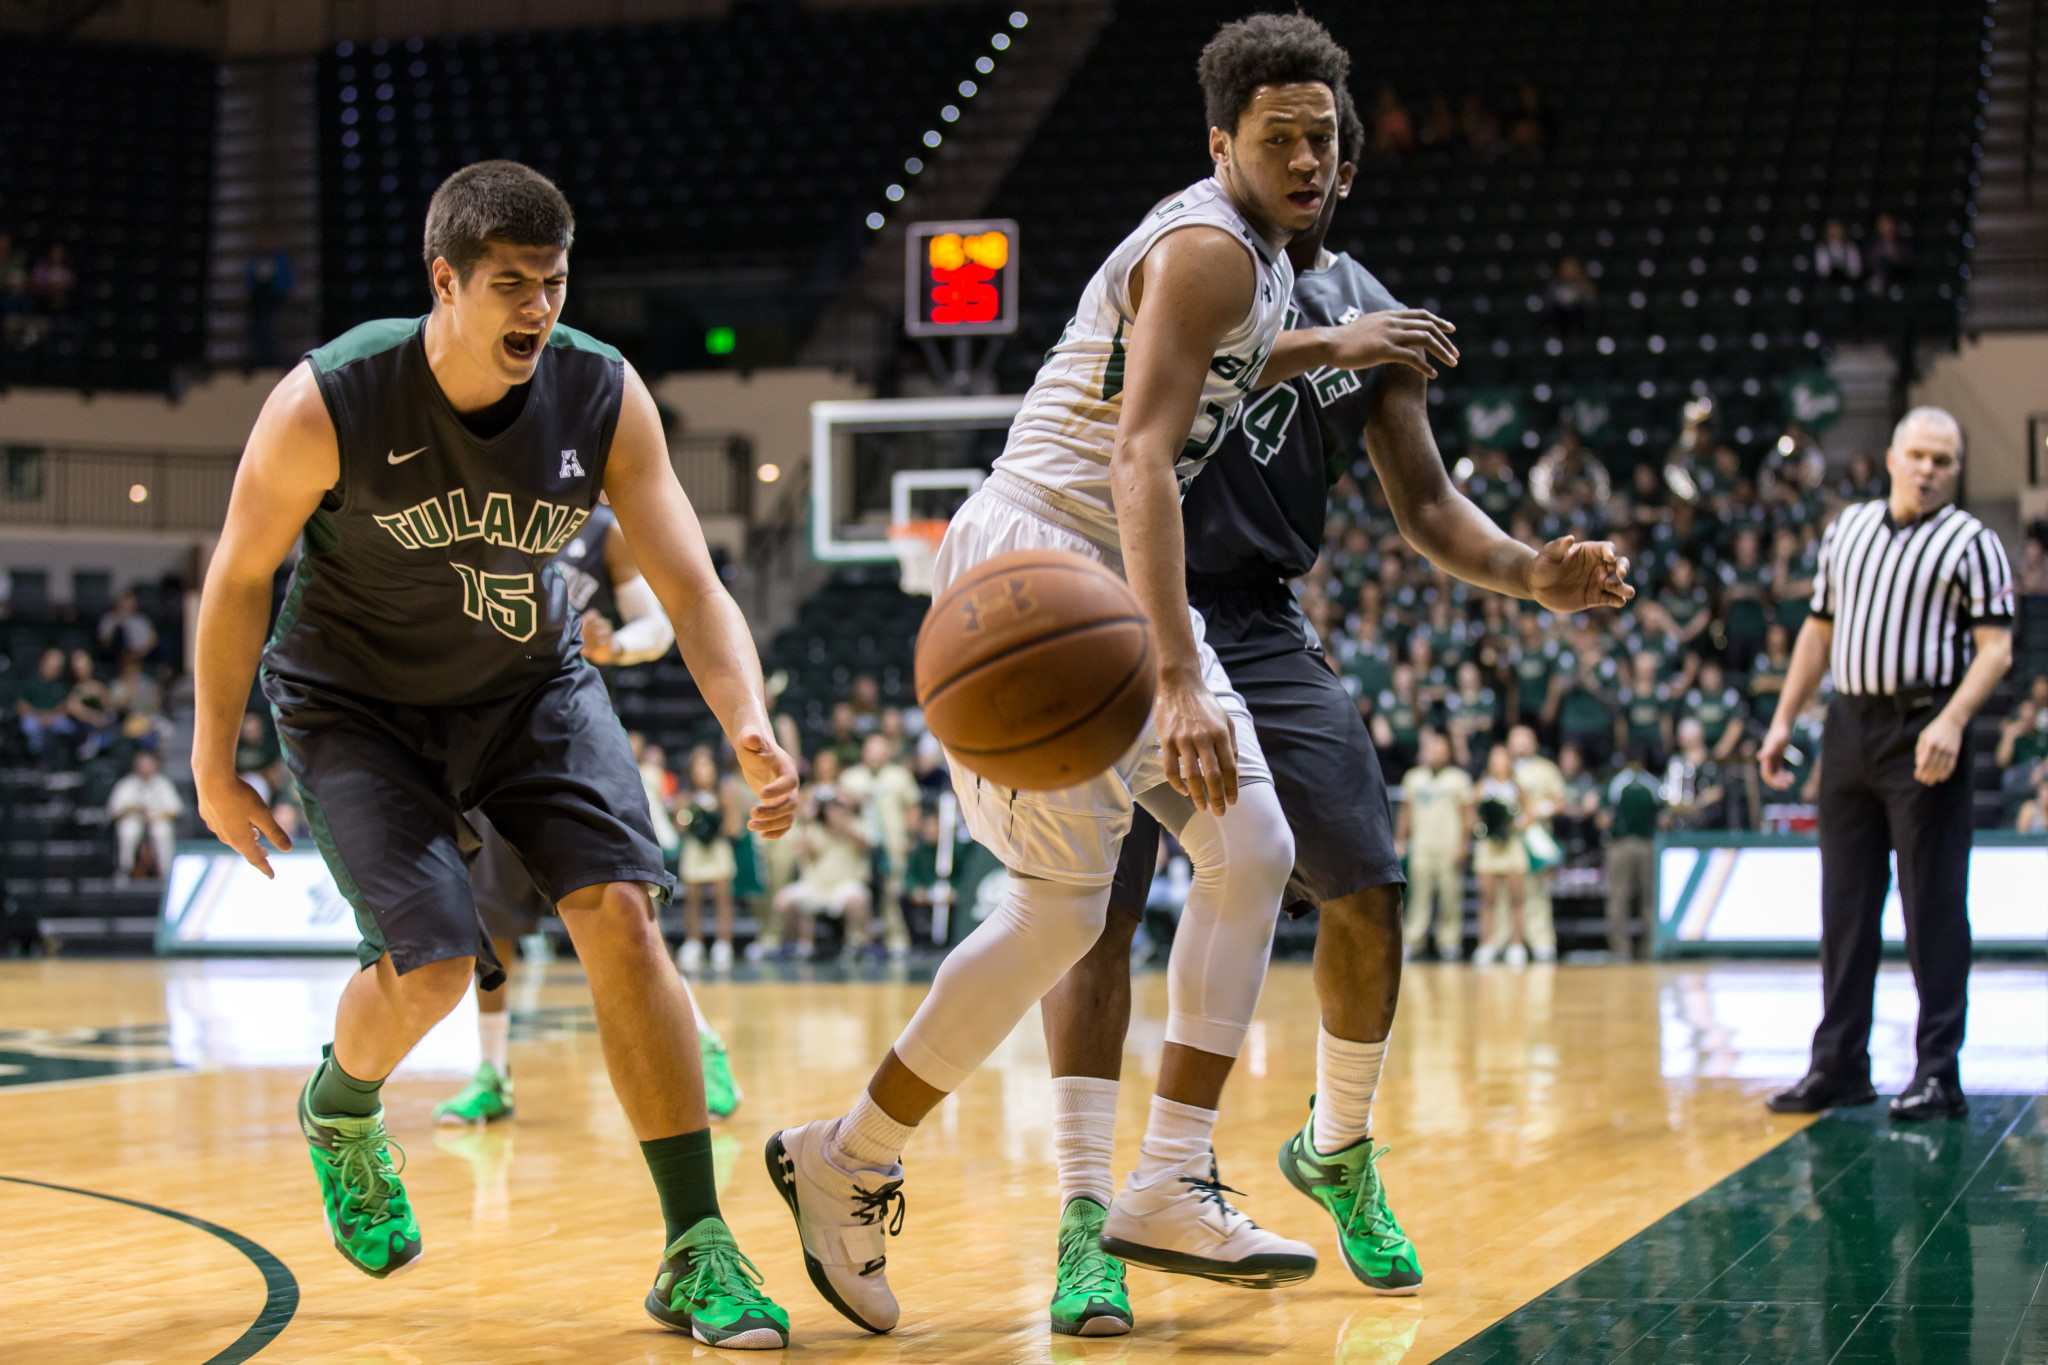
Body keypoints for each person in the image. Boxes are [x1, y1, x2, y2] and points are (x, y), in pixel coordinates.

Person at [766, 17, 1470, 1332]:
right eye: (1282, 139)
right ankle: (847, 1155)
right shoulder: (1206, 245)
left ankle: (1161, 1178)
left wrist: (1342, 345)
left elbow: (1220, 361)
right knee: (1060, 912)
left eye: (1324, 136)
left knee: (1250, 847)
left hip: (1099, 572)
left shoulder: (1250, 259)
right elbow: (1144, 457)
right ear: (1223, 145)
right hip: (1042, 565)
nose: (1311, 157)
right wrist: (1180, 677)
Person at [192, 162, 799, 1346]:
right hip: (356, 704)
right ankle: (342, 1109)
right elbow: (236, 579)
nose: (536, 309)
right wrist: (214, 764)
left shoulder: (603, 395)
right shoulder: (329, 400)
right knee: (431, 967)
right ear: (446, 283)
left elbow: (692, 584)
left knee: (621, 914)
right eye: (510, 284)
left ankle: (695, 1244)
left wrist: (749, 723)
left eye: (554, 284)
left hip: (528, 691)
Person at [436, 507, 745, 1126]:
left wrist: (615, 645)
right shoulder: (470, 514)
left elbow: (655, 627)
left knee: (622, 915)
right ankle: (491, 1073)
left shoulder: (604, 530)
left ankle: (703, 1045)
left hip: (571, 741)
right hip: (484, 740)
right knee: (491, 927)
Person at [1761, 407, 2013, 1123]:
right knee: (1844, 906)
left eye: (1943, 459)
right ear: (1892, 457)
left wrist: (1952, 721)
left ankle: (1939, 1071)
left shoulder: (1974, 543)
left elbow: (1995, 647)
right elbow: (1818, 630)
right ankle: (1839, 1064)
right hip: (1849, 725)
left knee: (1932, 906)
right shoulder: (1849, 529)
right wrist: (1784, 719)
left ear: (1956, 470)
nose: (1929, 469)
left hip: (1925, 727)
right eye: (1918, 455)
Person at [840, 732, 921, 959]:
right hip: (858, 844)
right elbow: (839, 811)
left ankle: (895, 938)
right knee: (856, 890)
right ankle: (856, 940)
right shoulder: (851, 778)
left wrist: (910, 836)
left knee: (893, 892)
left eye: (879, 751)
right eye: (870, 750)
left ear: (888, 752)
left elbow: (912, 807)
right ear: (864, 752)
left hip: (892, 843)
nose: (874, 756)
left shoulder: (900, 776)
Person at [1398, 728, 1475, 962]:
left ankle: (1449, 942)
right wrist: (1400, 840)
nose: (1436, 752)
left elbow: (1469, 816)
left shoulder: (1459, 779)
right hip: (1421, 848)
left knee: (1450, 899)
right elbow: (1406, 812)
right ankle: (1413, 940)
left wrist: (1464, 844)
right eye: (1432, 748)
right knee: (1418, 898)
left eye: (1441, 748)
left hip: (1449, 848)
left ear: (1449, 752)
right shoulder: (1413, 778)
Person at [771, 791, 874, 960]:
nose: (835, 812)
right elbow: (804, 854)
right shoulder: (813, 828)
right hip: (816, 887)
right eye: (831, 808)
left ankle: (856, 945)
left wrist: (843, 826)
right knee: (783, 901)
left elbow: (864, 846)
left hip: (844, 885)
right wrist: (807, 822)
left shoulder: (857, 825)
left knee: (858, 899)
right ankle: (797, 945)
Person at [675, 746, 741, 974]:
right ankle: (694, 941)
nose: (703, 772)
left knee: (722, 896)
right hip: (695, 849)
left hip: (717, 848)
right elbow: (679, 825)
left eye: (707, 766)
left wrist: (715, 823)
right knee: (692, 897)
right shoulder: (685, 797)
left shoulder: (724, 793)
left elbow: (734, 826)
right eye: (698, 767)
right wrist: (691, 818)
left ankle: (724, 942)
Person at [1506, 724, 1564, 962]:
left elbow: (1560, 800)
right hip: (1508, 841)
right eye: (1516, 739)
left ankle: (1541, 941)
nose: (1520, 744)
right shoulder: (1501, 767)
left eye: (1525, 739)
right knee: (1508, 893)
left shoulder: (1546, 769)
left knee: (1538, 892)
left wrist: (1542, 809)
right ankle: (1510, 942)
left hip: (1536, 839)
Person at [1470, 743, 1529, 965]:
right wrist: (1482, 828)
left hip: (1511, 846)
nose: (1499, 763)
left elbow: (1528, 813)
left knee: (1516, 898)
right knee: (1487, 899)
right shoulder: (1483, 787)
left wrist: (1513, 826)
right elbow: (1472, 814)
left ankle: (1517, 945)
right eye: (1494, 759)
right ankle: (1487, 943)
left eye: (1503, 758)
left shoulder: (1517, 788)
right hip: (1489, 848)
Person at [1601, 747, 1662, 959]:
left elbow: (1604, 817)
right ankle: (1651, 947)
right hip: (1648, 845)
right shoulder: (1652, 783)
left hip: (1621, 844)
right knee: (1650, 899)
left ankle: (1621, 950)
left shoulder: (1616, 783)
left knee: (1619, 898)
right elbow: (1664, 818)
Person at [108, 750, 180, 881]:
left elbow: (175, 810)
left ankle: (167, 874)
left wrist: (153, 816)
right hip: (133, 820)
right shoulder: (126, 784)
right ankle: (124, 871)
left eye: (149, 764)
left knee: (162, 832)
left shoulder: (163, 783)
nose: (146, 767)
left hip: (157, 820)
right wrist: (132, 809)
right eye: (142, 764)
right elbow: (114, 811)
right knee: (128, 831)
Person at [14, 647, 74, 760]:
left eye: (58, 663)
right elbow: (21, 705)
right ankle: (36, 758)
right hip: (33, 717)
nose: (54, 665)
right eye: (52, 661)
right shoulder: (30, 681)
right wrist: (38, 716)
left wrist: (51, 716)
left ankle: (64, 759)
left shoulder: (62, 684)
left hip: (54, 718)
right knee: (29, 726)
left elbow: (65, 706)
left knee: (69, 727)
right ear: (43, 661)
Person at [97, 589, 159, 664]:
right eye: (124, 601)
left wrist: (141, 652)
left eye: (129, 601)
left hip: (141, 654)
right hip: (118, 655)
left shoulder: (142, 620)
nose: (126, 604)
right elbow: (104, 641)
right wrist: (118, 623)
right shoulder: (109, 618)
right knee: (119, 631)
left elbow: (153, 639)